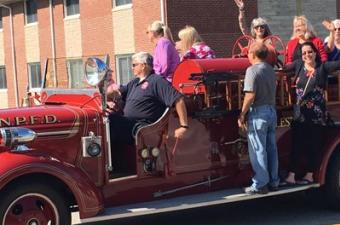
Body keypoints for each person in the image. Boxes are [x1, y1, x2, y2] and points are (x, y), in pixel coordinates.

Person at [283, 42, 339, 185]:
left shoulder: (323, 67)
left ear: (315, 53)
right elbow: (282, 69)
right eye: (304, 53)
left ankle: (309, 175)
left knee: (313, 146)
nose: (307, 55)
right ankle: (292, 175)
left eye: (310, 52)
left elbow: (338, 64)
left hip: (316, 115)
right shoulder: (298, 65)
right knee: (297, 145)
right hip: (300, 114)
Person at [107, 52, 188, 147]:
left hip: (143, 127)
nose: (132, 68)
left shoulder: (157, 81)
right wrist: (106, 91)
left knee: (111, 120)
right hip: (129, 124)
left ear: (143, 65)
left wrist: (184, 126)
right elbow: (117, 93)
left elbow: (178, 99)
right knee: (105, 119)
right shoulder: (134, 83)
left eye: (134, 65)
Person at [238, 42, 279, 194]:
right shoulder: (270, 69)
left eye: (248, 53)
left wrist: (242, 114)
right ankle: (274, 180)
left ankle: (260, 183)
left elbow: (250, 95)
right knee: (271, 148)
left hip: (258, 112)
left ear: (253, 55)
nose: (247, 55)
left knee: (258, 149)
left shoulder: (252, 70)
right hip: (271, 110)